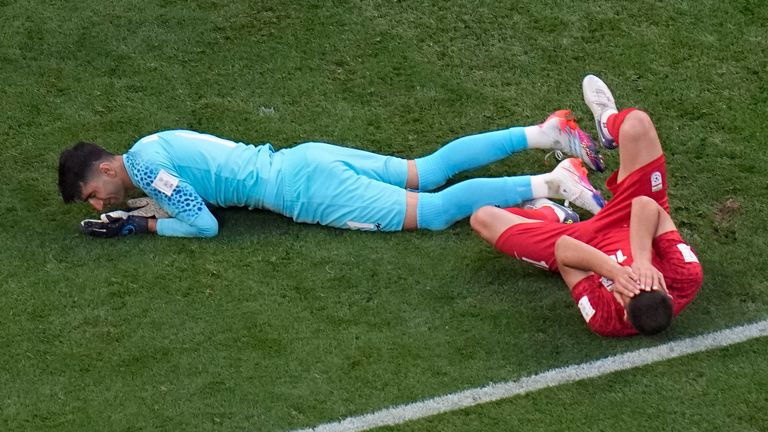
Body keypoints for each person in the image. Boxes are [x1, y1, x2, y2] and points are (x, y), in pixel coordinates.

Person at [58, 110, 607, 238]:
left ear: (107, 168)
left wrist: (138, 226)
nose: (97, 203)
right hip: (304, 157)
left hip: (305, 191)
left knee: (436, 212)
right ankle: (544, 132)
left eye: (93, 193)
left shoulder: (147, 170)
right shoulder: (150, 146)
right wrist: (142, 207)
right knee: (427, 170)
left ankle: (553, 182)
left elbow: (203, 225)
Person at [471, 75, 703, 337]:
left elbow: (564, 251)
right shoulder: (685, 276)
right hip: (630, 220)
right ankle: (607, 122)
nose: (636, 281)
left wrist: (615, 272)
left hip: (581, 244)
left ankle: (554, 209)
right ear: (667, 294)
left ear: (624, 312)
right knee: (637, 123)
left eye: (628, 290)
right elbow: (645, 205)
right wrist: (642, 261)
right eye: (647, 280)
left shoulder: (605, 319)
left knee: (483, 219)